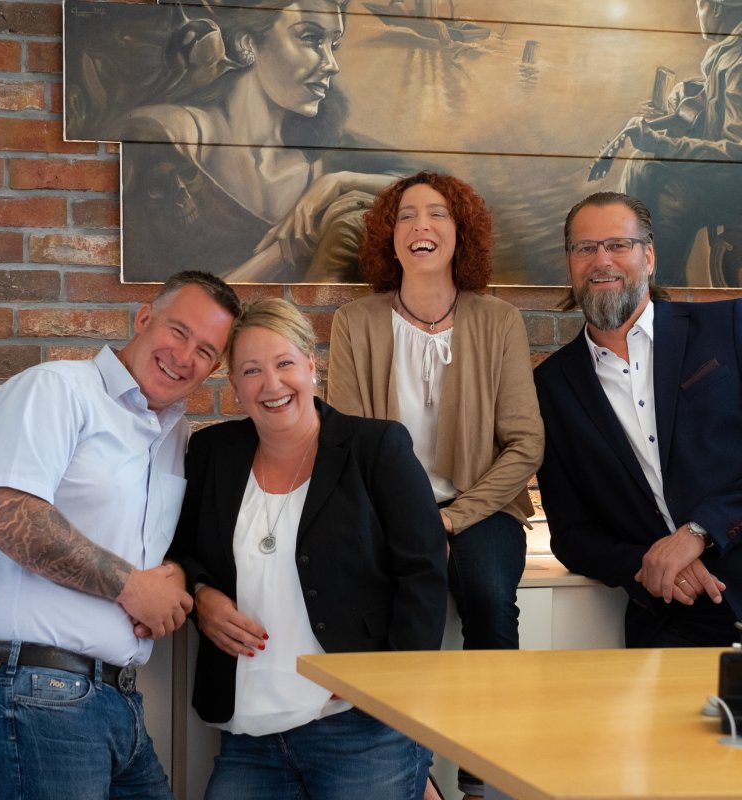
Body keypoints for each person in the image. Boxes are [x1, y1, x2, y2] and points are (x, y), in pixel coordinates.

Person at [0, 271, 240, 800]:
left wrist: (173, 575)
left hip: (116, 700)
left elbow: (145, 540)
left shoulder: (174, 434)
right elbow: (7, 513)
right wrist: (131, 586)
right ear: (144, 318)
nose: (184, 356)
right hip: (33, 690)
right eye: (178, 331)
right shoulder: (56, 388)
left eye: (205, 351)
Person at [167, 298, 448, 800]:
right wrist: (202, 596)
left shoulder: (376, 447)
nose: (271, 384)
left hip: (360, 729)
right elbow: (180, 551)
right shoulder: (211, 453)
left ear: (311, 365)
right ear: (234, 386)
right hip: (249, 736)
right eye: (251, 370)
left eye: (284, 363)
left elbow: (424, 571)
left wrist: (386, 688)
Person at [327, 171, 544, 800]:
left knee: (489, 599)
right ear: (387, 237)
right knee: (375, 607)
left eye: (438, 214)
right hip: (382, 511)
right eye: (406, 216)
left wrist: (450, 519)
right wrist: (410, 523)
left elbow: (525, 443)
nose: (421, 226)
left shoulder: (499, 321)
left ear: (461, 232)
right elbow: (346, 443)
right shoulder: (355, 321)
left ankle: (485, 779)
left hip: (479, 508)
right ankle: (407, 776)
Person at [534, 191, 742, 647]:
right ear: (570, 263)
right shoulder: (550, 386)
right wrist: (649, 564)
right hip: (671, 615)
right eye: (585, 248)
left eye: (618, 245)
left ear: (648, 257)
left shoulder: (729, 326)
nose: (601, 261)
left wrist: (698, 532)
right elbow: (570, 535)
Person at [121, 0, 400, 282]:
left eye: (334, 45)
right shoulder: (172, 135)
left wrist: (340, 182)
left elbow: (423, 185)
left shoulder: (327, 158)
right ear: (249, 43)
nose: (332, 64)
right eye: (311, 38)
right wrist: (281, 251)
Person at [595, 0, 742, 285]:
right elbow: (712, 100)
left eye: (700, 6)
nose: (697, 15)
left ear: (717, 9)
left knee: (667, 197)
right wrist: (686, 94)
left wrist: (659, 143)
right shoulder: (728, 52)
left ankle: (660, 285)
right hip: (726, 179)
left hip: (734, 189)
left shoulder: (738, 63)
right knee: (642, 165)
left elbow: (735, 155)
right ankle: (636, 270)